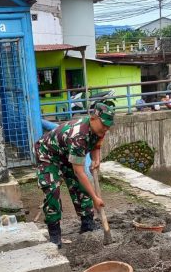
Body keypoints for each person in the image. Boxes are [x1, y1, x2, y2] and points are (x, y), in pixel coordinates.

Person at [34, 102, 114, 248]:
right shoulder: (78, 137)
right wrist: (95, 198)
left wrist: (96, 159)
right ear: (93, 118)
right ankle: (55, 234)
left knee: (79, 186)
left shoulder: (100, 130)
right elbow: (79, 172)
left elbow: (97, 143)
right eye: (104, 125)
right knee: (53, 190)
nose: (106, 128)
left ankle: (87, 223)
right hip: (48, 154)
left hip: (67, 153)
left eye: (108, 125)